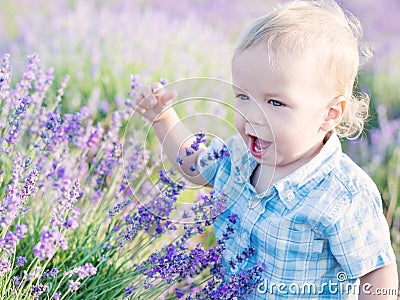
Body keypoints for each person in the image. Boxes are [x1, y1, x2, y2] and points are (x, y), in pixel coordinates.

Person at [133, 0, 398, 298]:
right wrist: (163, 118)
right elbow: (195, 165)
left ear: (330, 114)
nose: (251, 115)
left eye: (275, 102)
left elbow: (377, 274)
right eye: (243, 96)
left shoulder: (343, 196)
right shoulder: (238, 156)